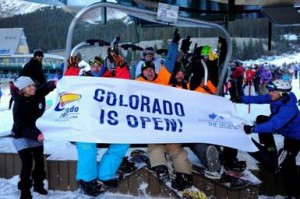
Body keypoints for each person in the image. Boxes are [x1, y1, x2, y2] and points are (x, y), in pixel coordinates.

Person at [67, 55, 131, 197]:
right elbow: (67, 85)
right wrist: (72, 69)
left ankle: (105, 174)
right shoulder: (85, 80)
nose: (95, 68)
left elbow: (126, 84)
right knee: (86, 143)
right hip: (90, 122)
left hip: (110, 122)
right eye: (93, 65)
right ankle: (87, 179)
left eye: (98, 65)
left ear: (103, 66)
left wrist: (121, 67)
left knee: (122, 142)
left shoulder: (112, 79)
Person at [236, 79, 300, 198]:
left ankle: (294, 194)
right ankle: (270, 148)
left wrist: (252, 129)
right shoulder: (276, 97)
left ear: (281, 93)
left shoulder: (289, 108)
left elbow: (273, 125)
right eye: (270, 90)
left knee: (286, 163)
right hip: (287, 132)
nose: (270, 93)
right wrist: (241, 99)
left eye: (272, 91)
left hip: (296, 138)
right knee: (261, 118)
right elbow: (259, 99)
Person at [11, 76, 56, 199]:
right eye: (29, 86)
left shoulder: (35, 93)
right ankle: (25, 190)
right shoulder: (18, 105)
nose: (33, 88)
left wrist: (53, 84)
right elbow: (21, 126)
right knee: (28, 163)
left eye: (33, 85)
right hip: (21, 135)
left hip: (36, 133)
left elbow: (45, 88)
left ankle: (38, 184)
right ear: (22, 90)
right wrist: (36, 135)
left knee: (39, 162)